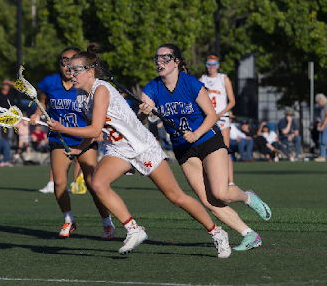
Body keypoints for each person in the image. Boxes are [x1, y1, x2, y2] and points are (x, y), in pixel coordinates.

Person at [48, 43, 232, 257]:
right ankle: (133, 229)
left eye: (75, 70)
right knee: (98, 183)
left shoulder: (100, 90)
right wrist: (79, 148)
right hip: (118, 149)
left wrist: (62, 128)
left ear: (90, 72)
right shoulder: (82, 97)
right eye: (69, 70)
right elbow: (99, 133)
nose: (70, 74)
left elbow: (95, 127)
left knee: (176, 197)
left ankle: (217, 233)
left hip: (142, 147)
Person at [139, 43, 271, 252]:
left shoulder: (191, 83)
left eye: (165, 58)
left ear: (177, 62)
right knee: (208, 201)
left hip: (208, 139)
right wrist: (145, 113)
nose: (160, 62)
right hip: (183, 148)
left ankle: (247, 197)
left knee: (221, 193)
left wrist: (196, 134)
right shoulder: (152, 88)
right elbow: (141, 121)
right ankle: (249, 234)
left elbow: (211, 115)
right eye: (158, 58)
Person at [30, 47, 114, 239]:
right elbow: (42, 102)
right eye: (63, 61)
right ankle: (68, 219)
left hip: (85, 138)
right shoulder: (49, 82)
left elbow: (98, 110)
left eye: (71, 62)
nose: (67, 66)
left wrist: (98, 129)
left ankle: (106, 221)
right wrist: (37, 114)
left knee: (93, 184)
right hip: (60, 139)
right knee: (59, 182)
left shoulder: (86, 85)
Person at [199, 54, 236, 185]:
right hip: (208, 119)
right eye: (208, 64)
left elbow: (232, 101)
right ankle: (209, 182)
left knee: (225, 149)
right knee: (206, 150)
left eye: (214, 65)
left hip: (221, 118)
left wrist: (220, 113)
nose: (211, 67)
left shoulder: (223, 79)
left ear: (218, 66)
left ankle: (230, 182)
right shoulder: (202, 79)